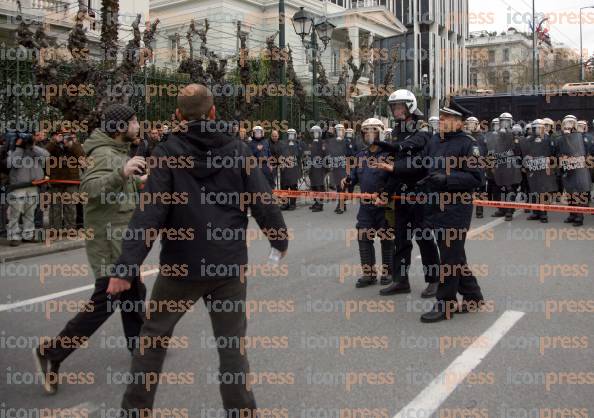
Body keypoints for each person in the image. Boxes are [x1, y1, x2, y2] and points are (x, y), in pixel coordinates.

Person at [109, 84, 288, 418]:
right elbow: (263, 201)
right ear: (214, 112)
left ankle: (134, 411)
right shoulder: (239, 150)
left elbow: (149, 213)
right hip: (228, 265)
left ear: (178, 116)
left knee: (153, 338)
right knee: (231, 346)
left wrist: (125, 267)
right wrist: (279, 240)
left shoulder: (166, 151)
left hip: (181, 264)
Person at [32, 104, 147, 394]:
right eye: (133, 122)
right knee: (105, 303)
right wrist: (122, 173)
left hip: (122, 241)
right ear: (120, 128)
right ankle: (51, 353)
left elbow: (116, 191)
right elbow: (90, 190)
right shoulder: (102, 154)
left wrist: (136, 180)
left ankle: (141, 348)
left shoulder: (116, 152)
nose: (138, 125)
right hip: (109, 245)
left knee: (134, 292)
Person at [375, 100, 485, 322]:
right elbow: (418, 163)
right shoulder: (435, 141)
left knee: (450, 258)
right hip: (434, 206)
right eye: (441, 118)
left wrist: (448, 179)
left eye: (445, 119)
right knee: (453, 256)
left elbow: (477, 179)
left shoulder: (469, 145)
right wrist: (395, 166)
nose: (440, 122)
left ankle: (446, 304)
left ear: (457, 122)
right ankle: (473, 296)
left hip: (456, 208)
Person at [377, 89, 440, 298]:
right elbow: (392, 164)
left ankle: (434, 281)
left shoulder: (422, 129)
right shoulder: (396, 131)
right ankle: (401, 280)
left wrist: (393, 158)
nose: (396, 110)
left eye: (399, 106)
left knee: (424, 239)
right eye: (393, 106)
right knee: (401, 240)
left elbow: (418, 162)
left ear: (410, 106)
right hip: (402, 193)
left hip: (420, 191)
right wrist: (385, 192)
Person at [341, 118, 394, 288]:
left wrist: (385, 195)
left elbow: (395, 179)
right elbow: (355, 177)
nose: (369, 134)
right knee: (363, 237)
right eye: (366, 131)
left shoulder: (389, 155)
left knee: (386, 239)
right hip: (366, 205)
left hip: (384, 205)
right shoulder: (361, 155)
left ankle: (388, 273)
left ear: (380, 133)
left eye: (373, 130)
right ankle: (369, 274)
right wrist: (348, 180)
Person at [5, 130, 49, 246]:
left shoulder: (34, 149)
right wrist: (19, 148)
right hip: (18, 186)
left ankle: (28, 235)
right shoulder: (13, 149)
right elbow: (13, 163)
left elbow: (46, 156)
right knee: (15, 213)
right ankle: (14, 236)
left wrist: (32, 146)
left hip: (33, 185)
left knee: (30, 212)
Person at [554, 115, 592, 227]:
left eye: (571, 123)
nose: (569, 125)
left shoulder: (581, 136)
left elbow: (587, 151)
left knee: (579, 194)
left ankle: (579, 217)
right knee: (570, 193)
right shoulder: (560, 138)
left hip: (579, 168)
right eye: (567, 123)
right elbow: (556, 152)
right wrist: (561, 158)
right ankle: (572, 214)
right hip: (567, 168)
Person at [518, 119, 558, 223]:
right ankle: (535, 213)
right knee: (533, 190)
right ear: (533, 128)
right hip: (532, 169)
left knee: (543, 192)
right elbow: (524, 154)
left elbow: (553, 153)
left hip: (544, 168)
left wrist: (550, 162)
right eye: (536, 127)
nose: (538, 130)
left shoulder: (548, 140)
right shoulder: (528, 140)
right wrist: (525, 162)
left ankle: (543, 214)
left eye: (540, 127)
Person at [45, 130, 85, 230]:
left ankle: (70, 228)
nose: (63, 138)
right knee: (55, 206)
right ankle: (55, 228)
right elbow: (45, 153)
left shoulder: (75, 145)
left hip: (71, 180)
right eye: (61, 135)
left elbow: (81, 156)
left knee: (70, 206)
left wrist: (72, 144)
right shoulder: (53, 145)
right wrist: (55, 142)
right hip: (56, 181)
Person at [486, 112, 522, 221]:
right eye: (502, 121)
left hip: (511, 166)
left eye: (507, 121)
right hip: (499, 166)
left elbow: (517, 151)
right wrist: (491, 164)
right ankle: (501, 209)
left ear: (510, 122)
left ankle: (509, 211)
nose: (504, 123)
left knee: (510, 189)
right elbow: (491, 150)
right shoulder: (495, 135)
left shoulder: (514, 135)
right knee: (498, 189)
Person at [325, 123, 352, 214]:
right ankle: (342, 205)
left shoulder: (346, 141)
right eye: (338, 130)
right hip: (335, 166)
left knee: (342, 186)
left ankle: (341, 206)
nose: (340, 132)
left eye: (341, 130)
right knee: (338, 186)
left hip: (343, 166)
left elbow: (350, 154)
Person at [465, 117, 487, 218]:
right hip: (468, 166)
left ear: (477, 124)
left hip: (480, 166)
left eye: (472, 123)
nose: (470, 125)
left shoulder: (482, 137)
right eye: (469, 123)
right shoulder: (465, 137)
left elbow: (487, 153)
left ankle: (479, 210)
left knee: (480, 190)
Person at [278, 128, 303, 210]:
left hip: (294, 169)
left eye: (293, 134)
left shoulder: (298, 144)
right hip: (285, 169)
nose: (291, 136)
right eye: (290, 134)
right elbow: (279, 154)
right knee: (284, 186)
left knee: (293, 187)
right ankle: (284, 203)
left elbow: (299, 156)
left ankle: (292, 204)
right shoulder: (282, 144)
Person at [308, 125, 327, 212]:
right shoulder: (311, 143)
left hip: (319, 167)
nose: (315, 134)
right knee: (314, 186)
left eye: (316, 133)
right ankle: (316, 202)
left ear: (319, 133)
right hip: (312, 167)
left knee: (319, 186)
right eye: (313, 133)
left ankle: (320, 205)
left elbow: (325, 155)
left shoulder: (322, 143)